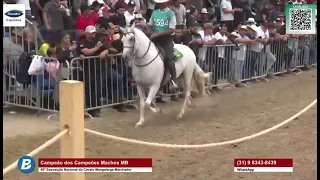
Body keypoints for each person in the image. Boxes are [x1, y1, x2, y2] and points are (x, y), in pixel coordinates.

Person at [147, 0, 178, 89]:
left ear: (166, 3)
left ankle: (174, 81)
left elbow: (172, 29)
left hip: (166, 39)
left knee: (168, 58)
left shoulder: (171, 14)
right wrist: (149, 32)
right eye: (159, 2)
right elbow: (150, 24)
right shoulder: (154, 12)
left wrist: (157, 34)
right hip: (155, 39)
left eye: (161, 2)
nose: (160, 4)